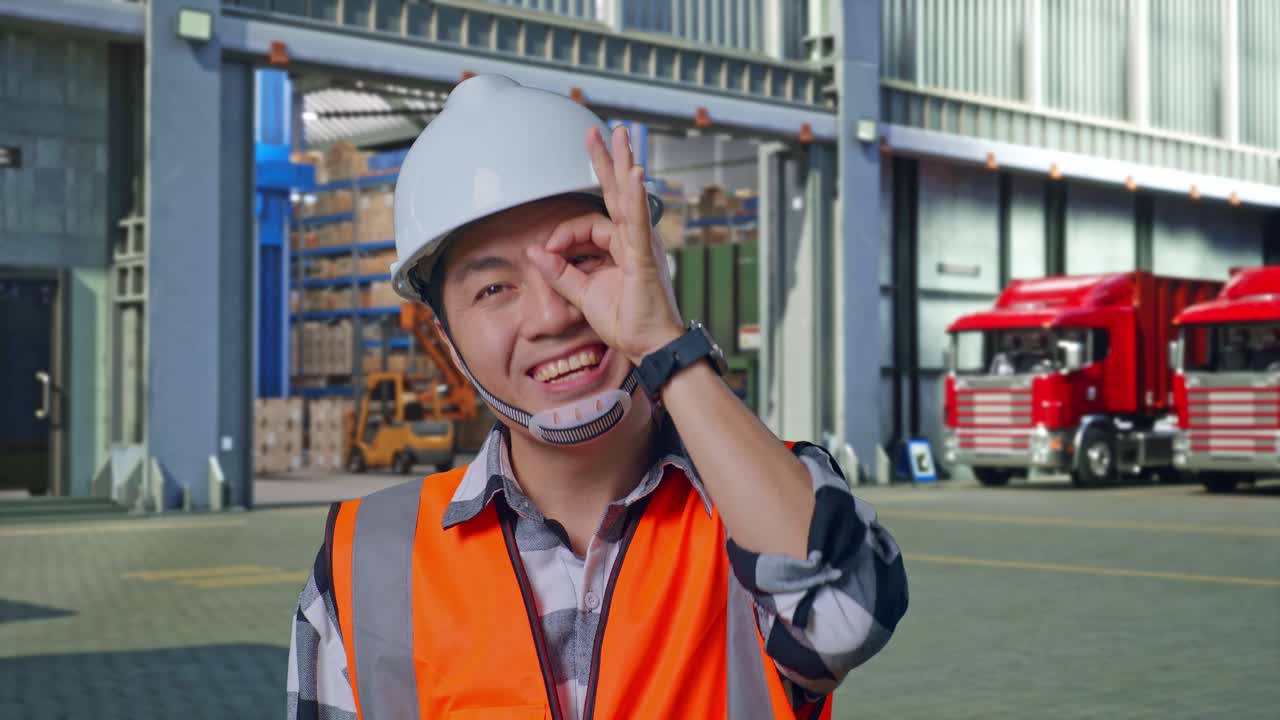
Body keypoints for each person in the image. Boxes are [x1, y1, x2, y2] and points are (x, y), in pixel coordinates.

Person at [287, 74, 908, 720]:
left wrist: (665, 347)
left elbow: (847, 621)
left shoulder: (762, 500)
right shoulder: (367, 561)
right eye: (493, 289)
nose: (554, 315)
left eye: (581, 258)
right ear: (445, 336)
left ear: (646, 258)